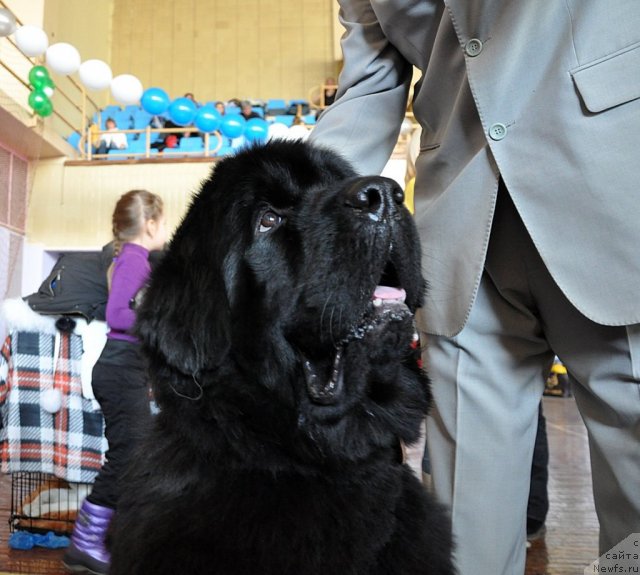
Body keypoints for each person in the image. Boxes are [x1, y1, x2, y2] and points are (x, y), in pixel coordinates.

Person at [310, 3, 640, 575]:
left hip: (609, 187)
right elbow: (368, 87)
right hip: (461, 230)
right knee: (465, 536)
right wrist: (297, 218)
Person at [63, 190, 167, 575]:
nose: (166, 229)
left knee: (135, 453)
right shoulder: (134, 259)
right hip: (119, 369)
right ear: (151, 224)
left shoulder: (134, 258)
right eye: (164, 222)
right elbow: (117, 315)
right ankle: (84, 543)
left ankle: (96, 540)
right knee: (129, 455)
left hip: (125, 369)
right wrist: (156, 319)